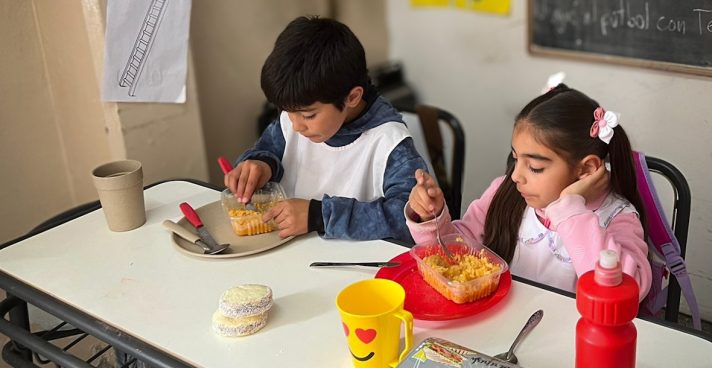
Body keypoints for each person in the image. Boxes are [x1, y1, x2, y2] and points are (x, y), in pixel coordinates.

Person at [406, 84, 651, 300]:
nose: (515, 175)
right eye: (515, 158)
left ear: (586, 169)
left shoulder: (617, 217)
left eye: (535, 167)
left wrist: (569, 207)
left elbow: (628, 290)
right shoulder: (508, 192)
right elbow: (457, 253)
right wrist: (431, 217)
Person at [224, 16, 427, 243]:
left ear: (352, 97)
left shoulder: (390, 144)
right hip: (292, 253)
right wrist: (261, 164)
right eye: (287, 112)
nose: (296, 125)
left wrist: (319, 216)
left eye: (309, 115)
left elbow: (410, 218)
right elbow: (269, 150)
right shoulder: (294, 120)